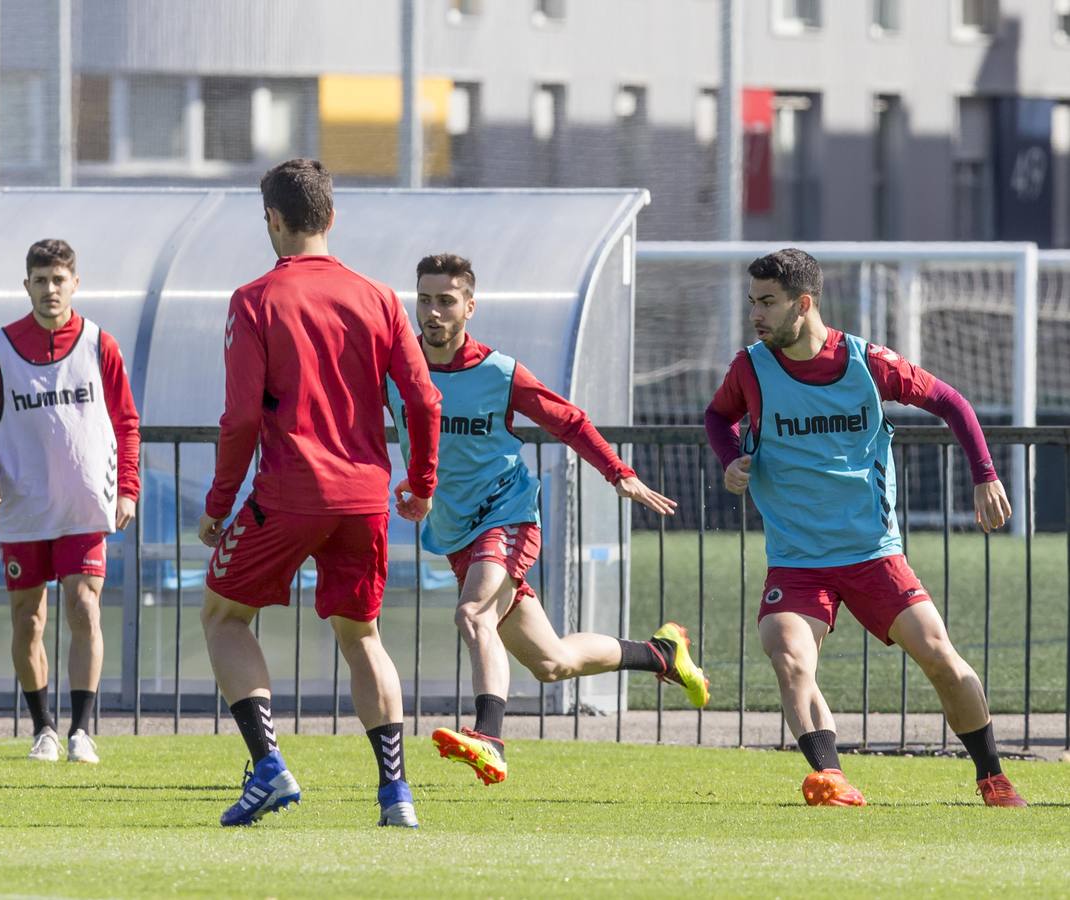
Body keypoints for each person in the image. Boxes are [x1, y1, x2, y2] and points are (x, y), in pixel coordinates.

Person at [706, 248, 1025, 807]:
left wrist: (985, 475)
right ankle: (831, 779)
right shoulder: (749, 368)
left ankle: (993, 777)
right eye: (751, 302)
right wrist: (729, 456)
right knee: (787, 655)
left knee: (940, 658)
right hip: (798, 558)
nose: (755, 314)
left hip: (872, 553)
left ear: (803, 304)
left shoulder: (865, 362)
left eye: (767, 303)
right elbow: (716, 416)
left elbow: (951, 401)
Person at [389, 253, 710, 786]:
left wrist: (618, 472)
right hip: (454, 530)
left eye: (446, 301)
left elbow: (568, 420)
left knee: (473, 615)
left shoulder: (499, 371)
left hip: (507, 514)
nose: (433, 312)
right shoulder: (399, 372)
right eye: (424, 300)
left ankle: (489, 738)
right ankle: (661, 654)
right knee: (552, 662)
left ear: (470, 306)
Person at [198, 159, 441, 828]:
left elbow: (242, 417)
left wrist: (219, 506)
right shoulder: (381, 298)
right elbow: (422, 398)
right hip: (365, 498)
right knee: (363, 638)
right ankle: (396, 795)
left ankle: (269, 767)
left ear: (272, 220)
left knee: (223, 617)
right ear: (331, 218)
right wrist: (420, 483)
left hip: (290, 491)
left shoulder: (255, 300)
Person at [0, 238, 140, 765]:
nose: (50, 289)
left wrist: (127, 486)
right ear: (27, 285)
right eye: (41, 280)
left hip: (85, 503)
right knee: (28, 620)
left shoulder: (100, 343)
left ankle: (82, 730)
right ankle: (44, 729)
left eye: (59, 279)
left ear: (75, 284)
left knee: (84, 607)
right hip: (23, 505)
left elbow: (127, 421)